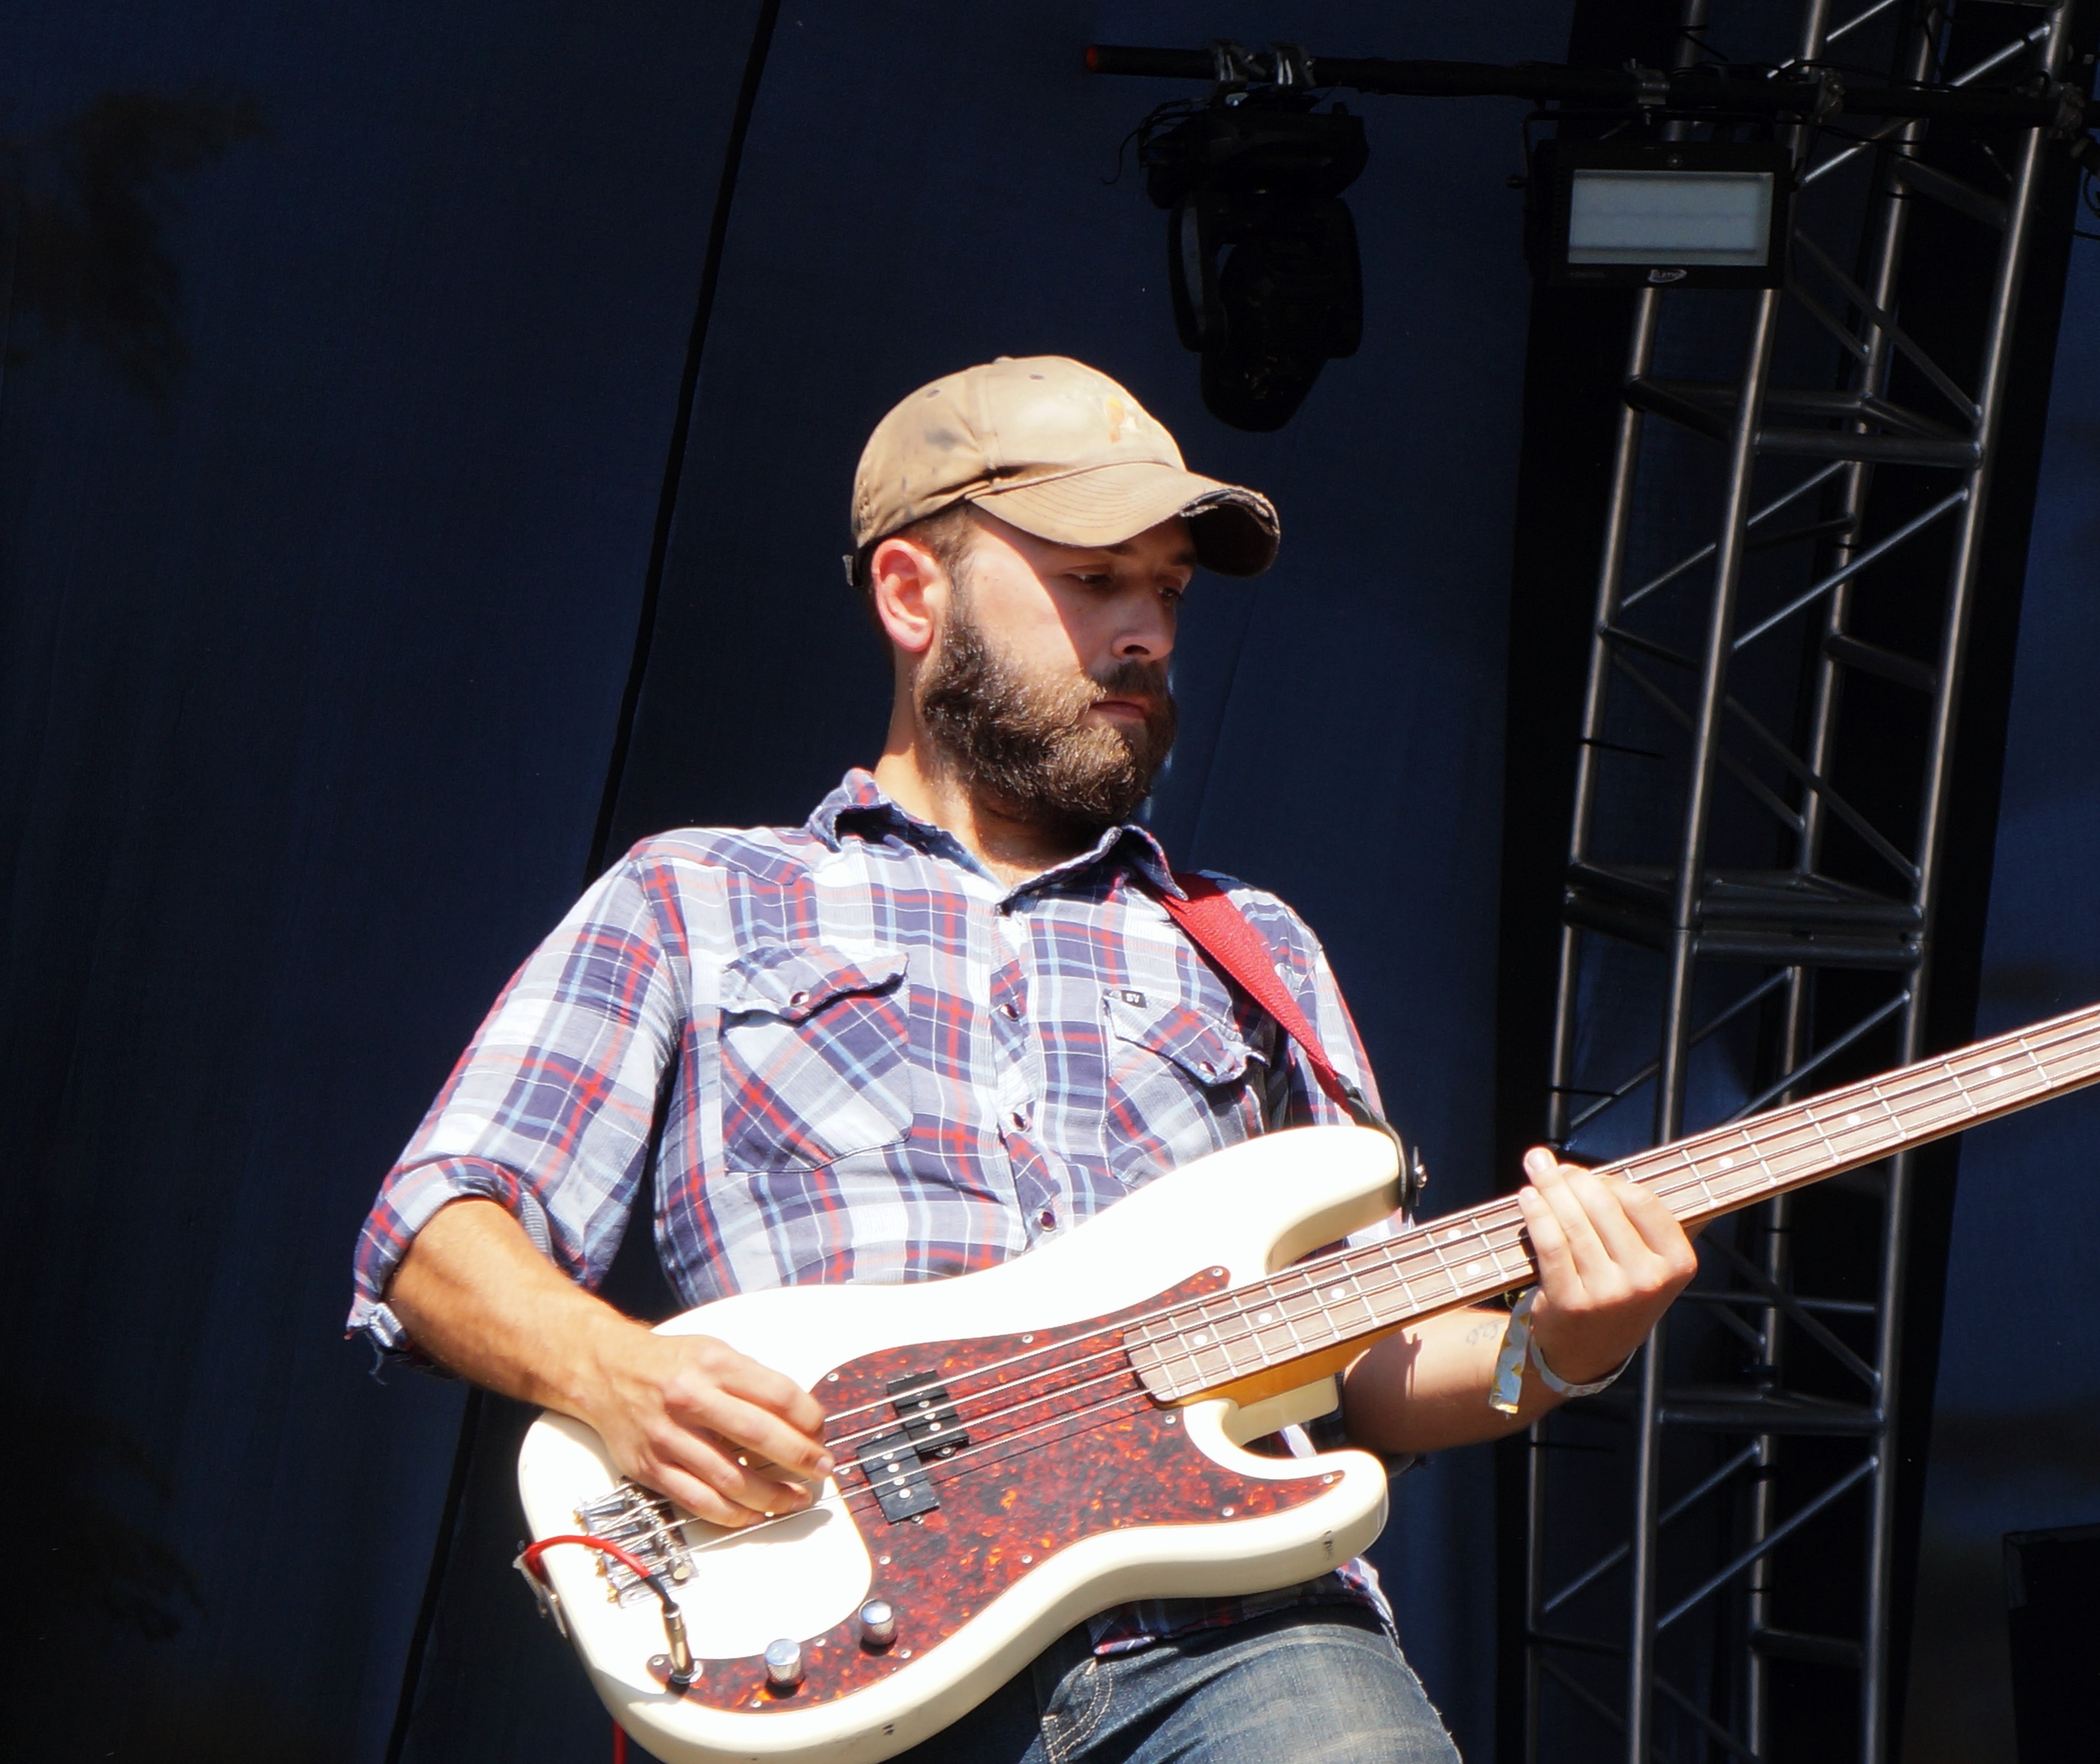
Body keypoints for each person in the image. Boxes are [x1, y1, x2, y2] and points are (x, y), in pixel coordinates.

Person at [349, 356, 1697, 1762]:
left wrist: (1563, 1347)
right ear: (911, 594)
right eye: (1095, 579)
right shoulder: (695, 896)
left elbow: (1369, 1356)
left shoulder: (1255, 948)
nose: (1147, 633)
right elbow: (432, 1231)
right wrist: (613, 1375)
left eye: (1168, 591)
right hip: (836, 1634)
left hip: (1236, 1644)